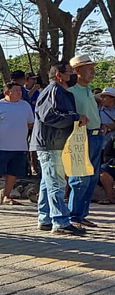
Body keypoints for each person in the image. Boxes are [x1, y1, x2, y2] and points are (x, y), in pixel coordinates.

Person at [30, 61, 88, 236]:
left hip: (53, 143)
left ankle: (46, 218)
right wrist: (75, 118)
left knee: (48, 182)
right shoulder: (53, 91)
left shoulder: (59, 92)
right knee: (56, 182)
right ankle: (60, 221)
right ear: (59, 75)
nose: (73, 75)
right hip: (51, 144)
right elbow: (48, 116)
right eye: (70, 72)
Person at [66, 54, 103, 228]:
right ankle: (73, 216)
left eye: (93, 69)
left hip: (96, 136)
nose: (93, 72)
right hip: (81, 136)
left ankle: (81, 214)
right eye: (89, 69)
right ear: (77, 71)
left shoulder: (89, 90)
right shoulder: (70, 92)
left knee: (92, 177)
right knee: (80, 178)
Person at [0, 82, 35, 206]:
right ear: (7, 92)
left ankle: (7, 196)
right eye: (16, 90)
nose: (19, 93)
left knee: (12, 173)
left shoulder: (25, 105)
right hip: (0, 146)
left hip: (20, 146)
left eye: (20, 90)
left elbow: (30, 123)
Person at [98, 132, 115, 204]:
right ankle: (111, 198)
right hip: (113, 166)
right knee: (104, 171)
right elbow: (106, 157)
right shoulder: (112, 138)